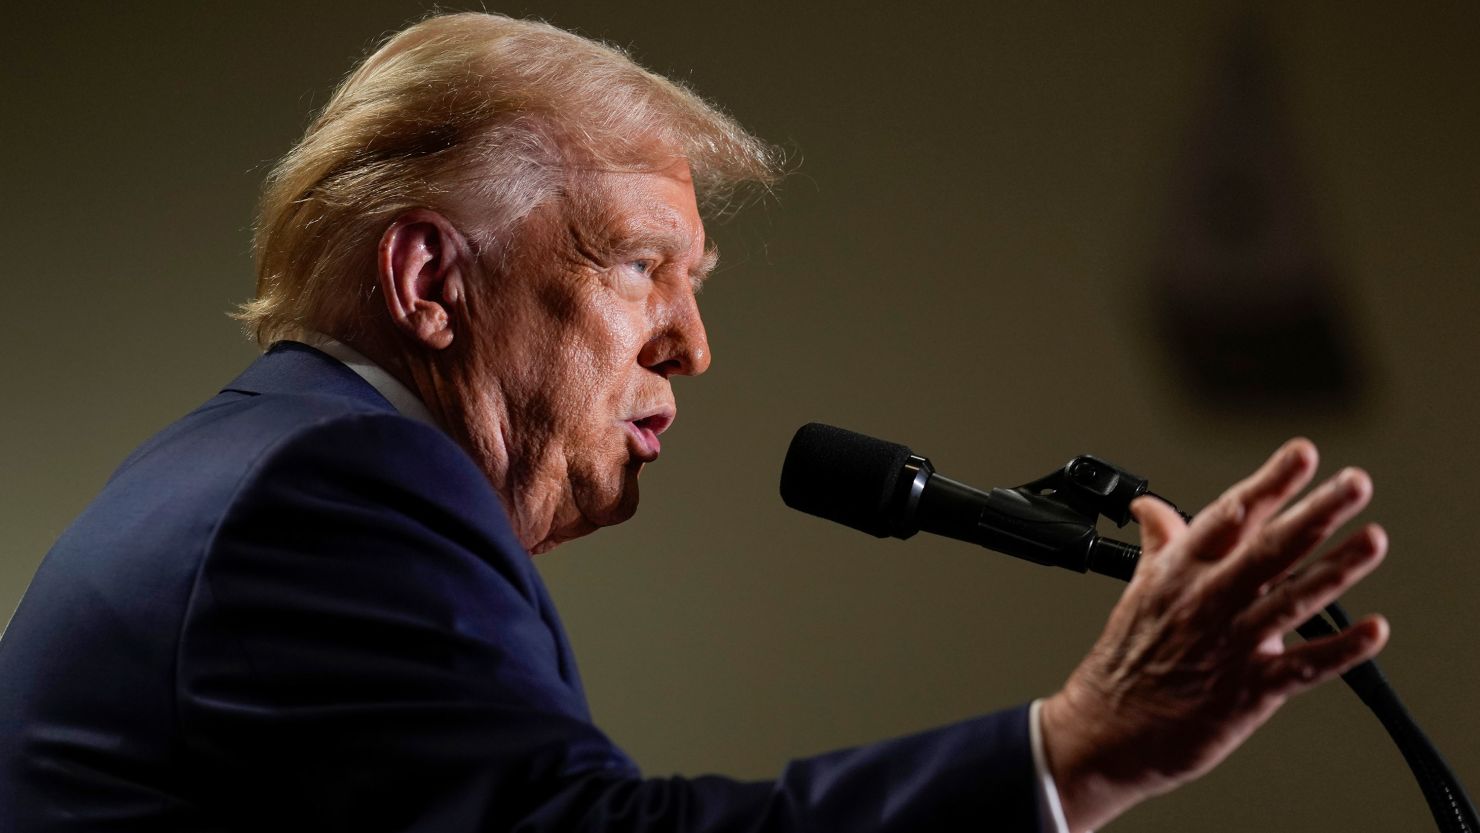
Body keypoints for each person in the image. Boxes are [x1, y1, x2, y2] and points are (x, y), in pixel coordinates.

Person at [0, 12, 1389, 832]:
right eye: (638, 265)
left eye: (698, 282)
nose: (694, 343)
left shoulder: (262, 472)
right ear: (430, 281)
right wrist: (1079, 744)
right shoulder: (331, 496)